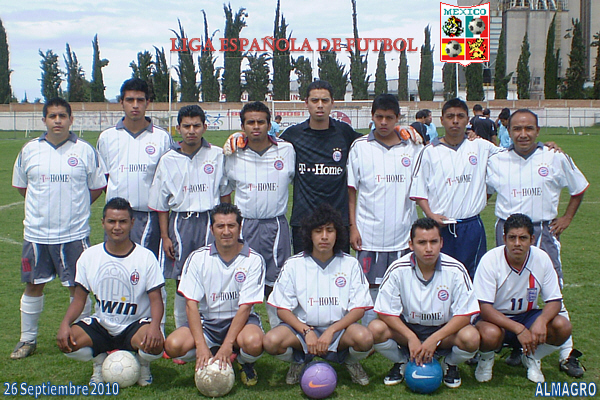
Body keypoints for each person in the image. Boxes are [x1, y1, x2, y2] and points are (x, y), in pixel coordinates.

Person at [486, 108, 588, 377]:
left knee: (554, 291)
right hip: (507, 231)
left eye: (529, 128)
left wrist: (566, 217)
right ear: (508, 131)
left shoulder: (555, 157)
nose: (523, 134)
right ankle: (512, 346)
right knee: (506, 290)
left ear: (538, 131)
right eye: (517, 129)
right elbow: (483, 192)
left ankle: (567, 354)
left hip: (543, 231)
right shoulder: (496, 159)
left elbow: (579, 188)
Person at [11, 97, 107, 360]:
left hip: (73, 235)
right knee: (33, 285)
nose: (57, 121)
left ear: (70, 119)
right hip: (36, 234)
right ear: (44, 120)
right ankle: (27, 339)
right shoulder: (30, 150)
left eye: (62, 116)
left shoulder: (84, 150)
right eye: (52, 116)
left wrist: (75, 207)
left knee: (78, 289)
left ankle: (82, 336)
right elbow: (22, 187)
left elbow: (96, 187)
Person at [56, 198, 164, 386]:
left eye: (123, 221)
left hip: (135, 325)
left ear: (132, 223)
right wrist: (65, 324)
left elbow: (156, 300)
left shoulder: (145, 257)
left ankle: (143, 363)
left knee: (156, 345)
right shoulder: (89, 257)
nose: (117, 227)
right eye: (111, 221)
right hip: (103, 324)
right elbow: (79, 299)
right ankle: (99, 361)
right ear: (103, 223)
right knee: (67, 342)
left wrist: (155, 326)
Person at [263, 204, 374, 386]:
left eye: (329, 230)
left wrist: (331, 331)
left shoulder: (350, 264)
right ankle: (299, 360)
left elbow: (359, 309)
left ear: (337, 234)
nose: (324, 236)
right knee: (271, 341)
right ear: (310, 234)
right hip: (302, 331)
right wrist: (306, 331)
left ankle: (350, 361)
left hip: (339, 331)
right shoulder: (294, 264)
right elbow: (282, 309)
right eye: (318, 231)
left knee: (365, 338)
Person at [369, 218, 480, 388]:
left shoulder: (456, 269)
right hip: (409, 330)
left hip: (444, 333)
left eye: (433, 242)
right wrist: (410, 337)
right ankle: (402, 361)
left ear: (441, 243)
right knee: (375, 329)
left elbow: (465, 315)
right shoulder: (398, 269)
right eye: (422, 242)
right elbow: (384, 312)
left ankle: (450, 364)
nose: (428, 248)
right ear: (411, 245)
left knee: (471, 337)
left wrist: (435, 338)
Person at [164, 203, 265, 386]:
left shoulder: (254, 260)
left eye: (231, 226)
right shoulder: (197, 258)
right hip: (207, 323)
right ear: (211, 229)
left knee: (254, 343)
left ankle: (243, 361)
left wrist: (228, 344)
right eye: (220, 226)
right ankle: (208, 355)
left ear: (240, 228)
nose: (226, 231)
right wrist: (201, 345)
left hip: (241, 322)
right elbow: (191, 304)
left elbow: (245, 307)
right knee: (173, 345)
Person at [148, 105, 229, 334]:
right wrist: (165, 236)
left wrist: (226, 223)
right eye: (186, 126)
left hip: (210, 222)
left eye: (196, 126)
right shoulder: (168, 159)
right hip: (180, 223)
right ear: (178, 128)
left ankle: (212, 329)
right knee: (182, 280)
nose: (191, 131)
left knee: (212, 276)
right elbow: (161, 204)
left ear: (204, 127)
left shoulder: (217, 155)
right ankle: (182, 331)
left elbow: (225, 192)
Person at [347, 94, 422, 327]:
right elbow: (351, 191)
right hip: (369, 234)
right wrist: (353, 227)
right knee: (369, 288)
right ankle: (369, 335)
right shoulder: (360, 147)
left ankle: (401, 334)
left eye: (389, 118)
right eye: (379, 117)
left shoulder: (413, 146)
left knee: (404, 286)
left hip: (403, 233)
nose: (383, 122)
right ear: (372, 116)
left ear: (398, 118)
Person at [473, 213, 572, 383]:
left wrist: (541, 321)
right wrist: (519, 329)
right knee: (489, 334)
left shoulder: (541, 258)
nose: (517, 243)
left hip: (527, 316)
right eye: (512, 238)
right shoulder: (490, 260)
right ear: (504, 238)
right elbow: (484, 308)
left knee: (562, 326)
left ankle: (532, 356)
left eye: (523, 238)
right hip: (496, 319)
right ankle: (486, 359)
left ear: (532, 239)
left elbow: (555, 301)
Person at [409, 98, 501, 279]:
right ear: (442, 120)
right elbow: (419, 191)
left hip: (471, 226)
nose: (455, 121)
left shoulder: (481, 146)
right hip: (440, 227)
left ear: (468, 120)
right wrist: (431, 215)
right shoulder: (429, 152)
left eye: (460, 116)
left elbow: (511, 157)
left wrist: (544, 147)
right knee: (440, 276)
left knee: (473, 276)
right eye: (450, 116)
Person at [223, 101, 294, 328]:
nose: (256, 127)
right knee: (243, 279)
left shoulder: (286, 150)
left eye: (261, 122)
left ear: (269, 125)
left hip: (275, 224)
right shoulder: (233, 153)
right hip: (245, 225)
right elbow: (225, 191)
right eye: (250, 122)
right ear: (242, 126)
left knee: (278, 281)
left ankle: (278, 332)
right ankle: (245, 332)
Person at [97, 78, 173, 258]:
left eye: (140, 100)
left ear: (148, 102)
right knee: (115, 263)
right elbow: (104, 178)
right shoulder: (107, 137)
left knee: (146, 264)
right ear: (121, 102)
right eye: (130, 100)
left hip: (149, 216)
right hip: (117, 217)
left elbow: (167, 180)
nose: (135, 105)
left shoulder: (162, 138)